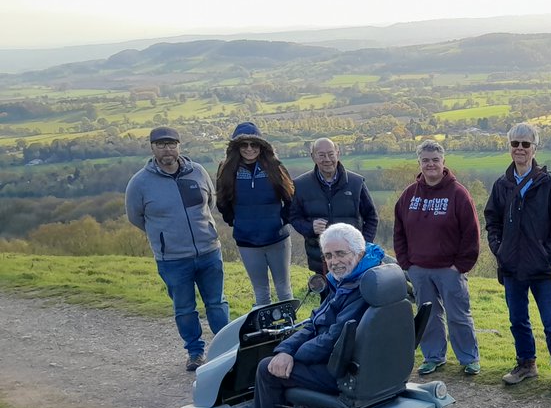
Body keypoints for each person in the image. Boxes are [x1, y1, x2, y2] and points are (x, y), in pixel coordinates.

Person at [233, 224, 385, 408]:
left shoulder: (357, 289)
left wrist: (293, 356)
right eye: (329, 256)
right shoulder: (362, 280)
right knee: (278, 358)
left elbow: (331, 339)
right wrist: (286, 350)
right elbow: (315, 323)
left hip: (344, 372)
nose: (334, 261)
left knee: (267, 369)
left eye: (341, 253)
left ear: (359, 253)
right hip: (365, 365)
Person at [125, 126, 229, 371]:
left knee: (217, 303)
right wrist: (164, 237)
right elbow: (135, 217)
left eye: (171, 144)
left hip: (208, 251)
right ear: (152, 148)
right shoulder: (140, 183)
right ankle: (195, 353)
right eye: (161, 145)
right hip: (172, 258)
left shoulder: (198, 172)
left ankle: (227, 348)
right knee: (184, 308)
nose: (167, 149)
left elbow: (209, 204)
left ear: (179, 146)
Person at [484, 122, 551, 390]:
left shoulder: (549, 184)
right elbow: (492, 220)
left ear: (535, 148)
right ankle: (526, 364)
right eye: (515, 144)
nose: (520, 149)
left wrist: (548, 254)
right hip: (512, 267)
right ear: (509, 148)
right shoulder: (502, 185)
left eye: (526, 144)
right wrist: (500, 250)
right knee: (517, 320)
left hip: (543, 269)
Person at [393, 140, 482, 375]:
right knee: (428, 316)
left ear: (443, 162)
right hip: (419, 269)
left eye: (435, 160)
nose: (430, 164)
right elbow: (399, 231)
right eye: (425, 160)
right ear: (419, 163)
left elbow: (471, 233)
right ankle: (433, 357)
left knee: (458, 316)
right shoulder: (408, 195)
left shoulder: (458, 194)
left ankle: (469, 359)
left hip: (450, 269)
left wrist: (460, 265)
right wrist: (407, 264)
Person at [215, 122, 295, 306]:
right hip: (247, 241)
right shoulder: (227, 169)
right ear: (236, 147)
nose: (249, 149)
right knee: (261, 292)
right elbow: (222, 201)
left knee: (284, 289)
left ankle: (291, 331)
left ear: (262, 146)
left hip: (278, 238)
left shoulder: (275, 167)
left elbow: (291, 198)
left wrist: (282, 219)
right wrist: (236, 222)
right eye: (244, 145)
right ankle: (266, 334)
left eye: (254, 144)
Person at [290, 137, 379, 274]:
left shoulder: (356, 183)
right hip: (320, 259)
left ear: (338, 153)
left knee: (355, 294)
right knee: (327, 295)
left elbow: (372, 217)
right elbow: (294, 217)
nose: (327, 159)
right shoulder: (301, 185)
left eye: (331, 154)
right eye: (321, 155)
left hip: (353, 259)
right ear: (313, 157)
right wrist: (310, 228)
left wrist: (362, 245)